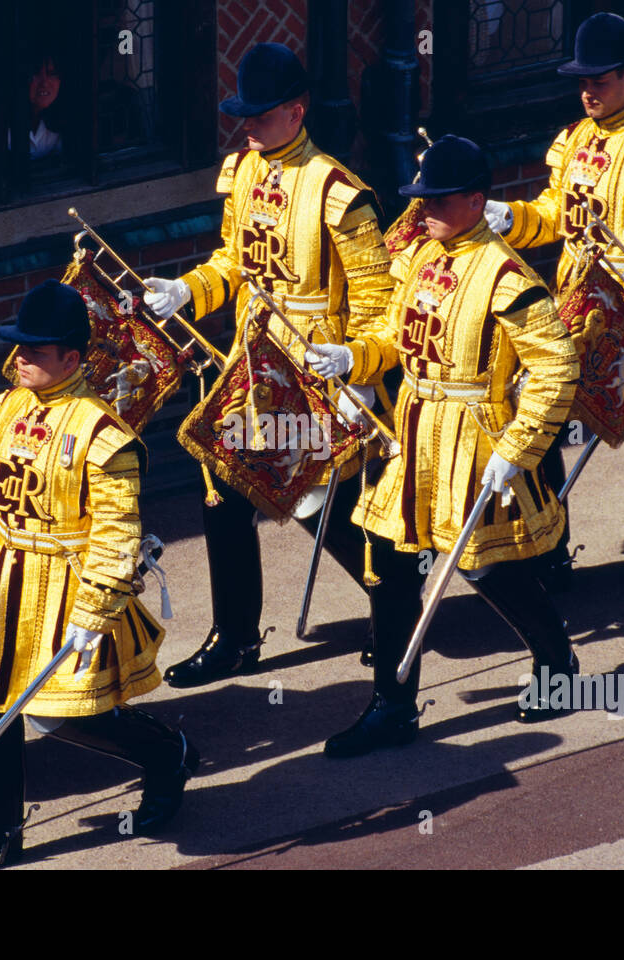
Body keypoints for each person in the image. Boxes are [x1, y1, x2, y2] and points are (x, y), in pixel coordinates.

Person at [0, 280, 197, 869]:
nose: (19, 360)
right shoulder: (11, 405)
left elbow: (117, 535)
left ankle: (165, 753)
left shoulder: (103, 435)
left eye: (34, 352)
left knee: (65, 711)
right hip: (10, 579)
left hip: (70, 588)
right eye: (19, 348)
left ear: (71, 358)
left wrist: (93, 616)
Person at [141, 42, 394, 686]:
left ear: (297, 110)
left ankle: (395, 609)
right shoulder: (245, 172)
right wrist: (187, 290)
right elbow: (234, 264)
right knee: (222, 486)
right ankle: (235, 636)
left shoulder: (341, 195)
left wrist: (357, 372)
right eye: (243, 115)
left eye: (260, 114)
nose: (247, 126)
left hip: (318, 370)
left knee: (322, 505)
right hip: (255, 365)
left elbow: (374, 300)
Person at [325, 136, 581, 757]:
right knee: (387, 562)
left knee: (490, 566)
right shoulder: (421, 257)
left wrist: (517, 449)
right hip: (414, 430)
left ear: (475, 200)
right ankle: (393, 703)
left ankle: (557, 664)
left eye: (437, 201)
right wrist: (355, 357)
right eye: (421, 200)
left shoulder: (509, 279)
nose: (423, 211)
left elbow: (557, 368)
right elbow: (395, 332)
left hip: (476, 434)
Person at [488, 12, 624, 582]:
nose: (588, 91)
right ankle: (551, 544)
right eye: (583, 82)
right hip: (575, 313)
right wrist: (510, 217)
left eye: (601, 81)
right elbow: (552, 219)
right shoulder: (570, 143)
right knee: (537, 417)